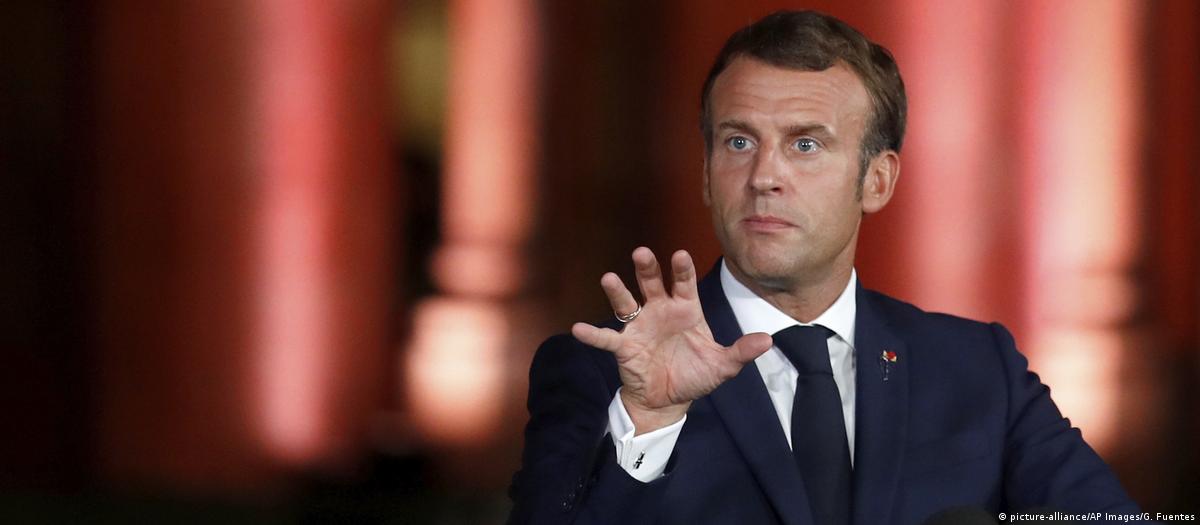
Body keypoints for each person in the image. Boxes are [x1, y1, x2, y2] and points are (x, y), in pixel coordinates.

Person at [508, 10, 1139, 525]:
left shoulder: (978, 370)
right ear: (705, 173)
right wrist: (649, 422)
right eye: (738, 142)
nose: (764, 176)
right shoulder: (604, 370)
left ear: (877, 180)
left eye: (805, 144)